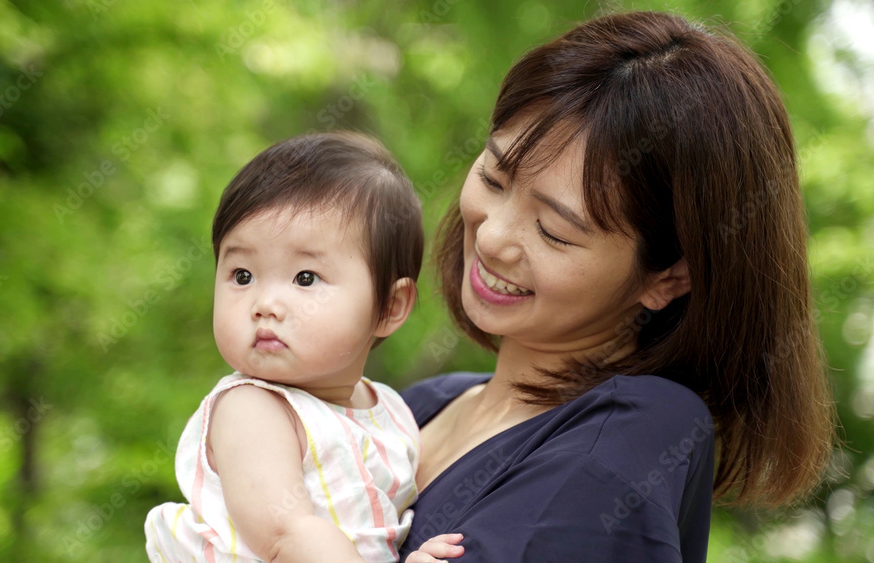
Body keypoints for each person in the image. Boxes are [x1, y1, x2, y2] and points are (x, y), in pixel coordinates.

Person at [398, 11, 836, 562]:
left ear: (669, 276)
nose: (493, 238)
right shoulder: (416, 408)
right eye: (493, 177)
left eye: (554, 231)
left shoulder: (639, 431)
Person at [143, 131, 463, 563]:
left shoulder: (390, 410)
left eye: (305, 278)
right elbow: (286, 537)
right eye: (242, 275)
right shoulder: (251, 409)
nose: (265, 304)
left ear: (389, 306)